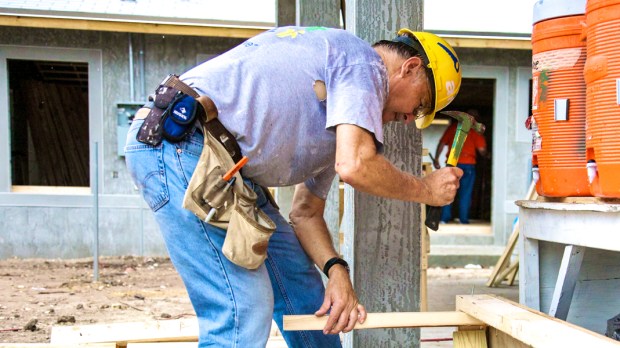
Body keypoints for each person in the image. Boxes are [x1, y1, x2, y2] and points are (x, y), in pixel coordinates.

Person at [125, 26, 462, 348]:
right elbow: (356, 166)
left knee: (303, 293)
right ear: (410, 68)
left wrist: (336, 271)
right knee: (241, 308)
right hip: (181, 143)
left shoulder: (341, 117)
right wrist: (427, 190)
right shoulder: (362, 62)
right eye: (419, 105)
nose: (408, 120)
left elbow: (305, 213)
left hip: (227, 168)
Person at [433, 108, 488, 224]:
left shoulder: (453, 128)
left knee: (448, 191)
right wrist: (487, 154)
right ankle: (463, 220)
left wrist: (437, 158)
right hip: (468, 165)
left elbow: (442, 143)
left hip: (452, 164)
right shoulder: (474, 131)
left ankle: (444, 219)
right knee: (465, 194)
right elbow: (482, 150)